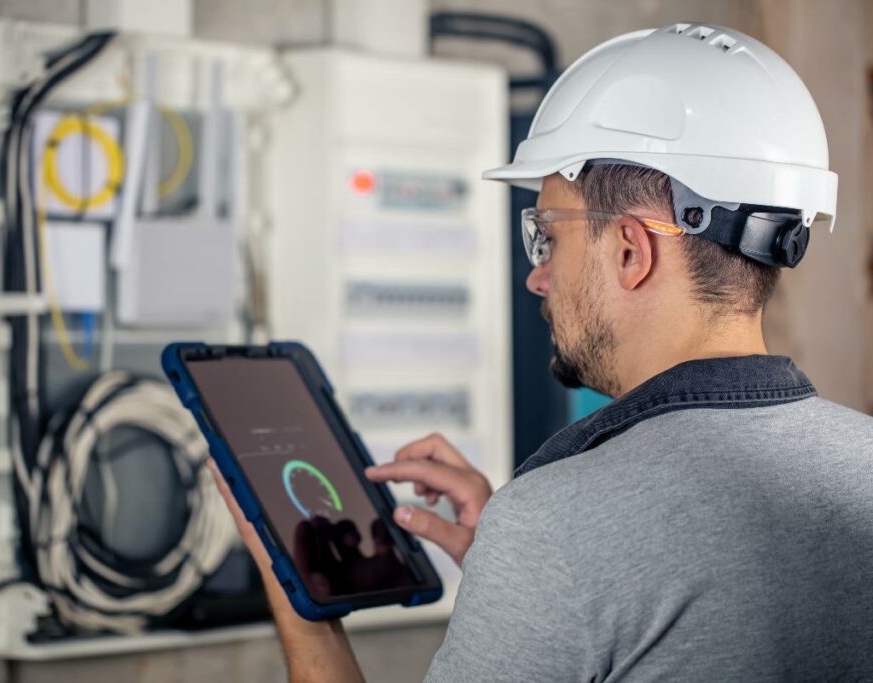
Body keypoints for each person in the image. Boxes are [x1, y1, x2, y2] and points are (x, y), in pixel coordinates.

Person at [208, 22, 873, 681]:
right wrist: (524, 592)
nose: (537, 276)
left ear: (630, 250)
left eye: (548, 237)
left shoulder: (554, 527)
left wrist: (297, 591)